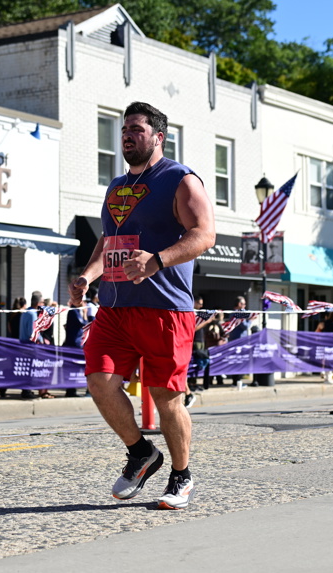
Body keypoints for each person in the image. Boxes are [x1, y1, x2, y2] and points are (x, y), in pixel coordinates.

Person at [69, 101, 215, 510]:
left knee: (165, 398)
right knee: (99, 381)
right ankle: (141, 453)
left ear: (158, 137)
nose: (128, 136)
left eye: (137, 129)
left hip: (164, 309)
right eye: (124, 130)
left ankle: (181, 475)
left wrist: (158, 260)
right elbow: (108, 241)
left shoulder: (180, 179)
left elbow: (204, 234)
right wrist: (87, 277)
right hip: (115, 308)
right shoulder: (117, 186)